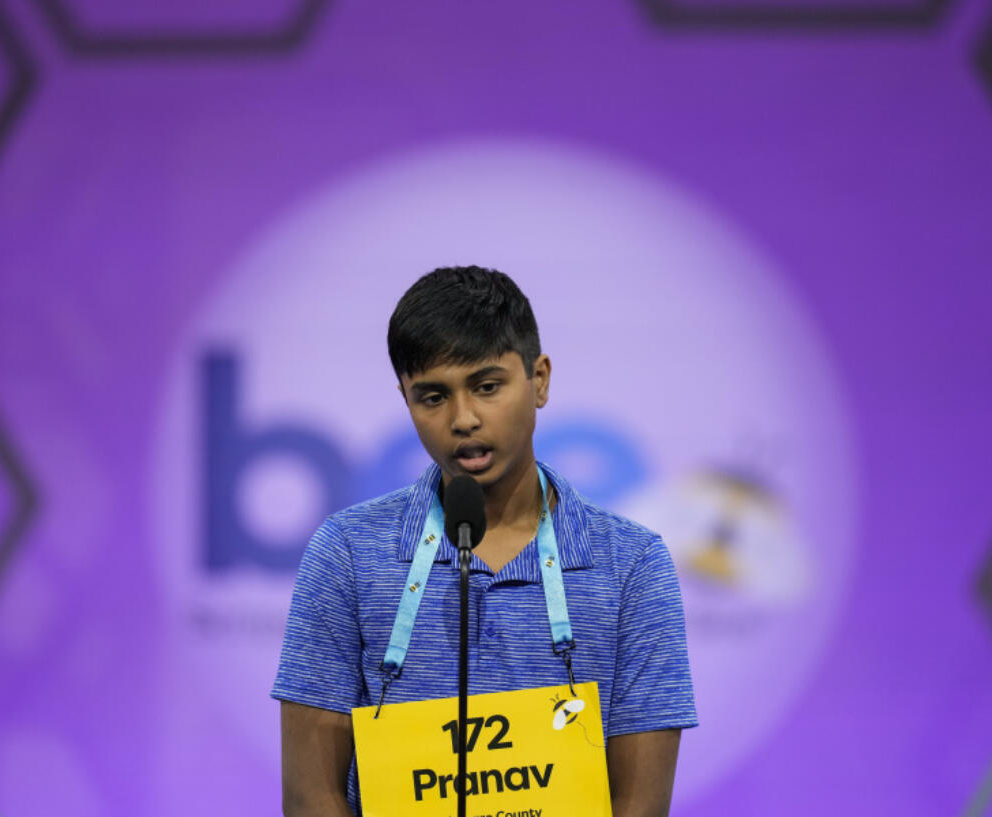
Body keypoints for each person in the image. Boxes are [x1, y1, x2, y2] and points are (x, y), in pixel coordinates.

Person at [272, 266, 697, 816]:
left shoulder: (633, 564)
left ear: (539, 379)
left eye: (487, 386)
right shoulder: (347, 553)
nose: (463, 418)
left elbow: (638, 804)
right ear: (405, 399)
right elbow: (311, 799)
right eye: (432, 396)